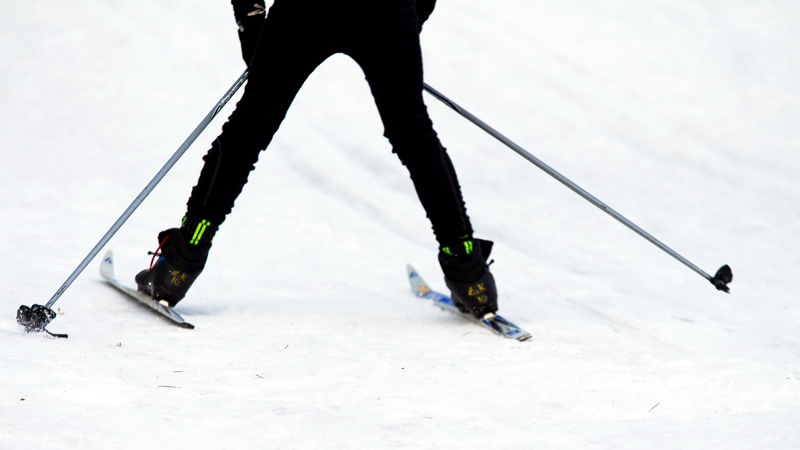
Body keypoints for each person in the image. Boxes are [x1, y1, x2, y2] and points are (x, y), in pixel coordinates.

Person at [135, 0, 499, 319]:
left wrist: (252, 21)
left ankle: (181, 264)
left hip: (309, 10)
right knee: (414, 136)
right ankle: (469, 273)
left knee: (250, 127)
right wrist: (409, 18)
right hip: (386, 10)